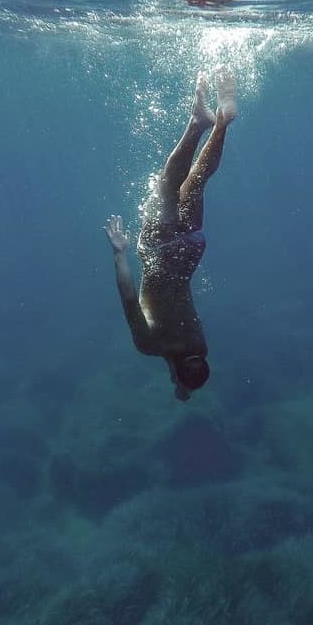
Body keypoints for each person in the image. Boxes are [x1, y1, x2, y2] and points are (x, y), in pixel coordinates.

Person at [104, 67, 237, 401]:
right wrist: (119, 252)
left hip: (190, 251)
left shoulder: (198, 346)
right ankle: (197, 124)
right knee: (167, 186)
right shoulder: (149, 345)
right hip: (159, 252)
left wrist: (183, 385)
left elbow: (182, 362)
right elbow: (129, 297)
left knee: (195, 183)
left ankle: (221, 124)